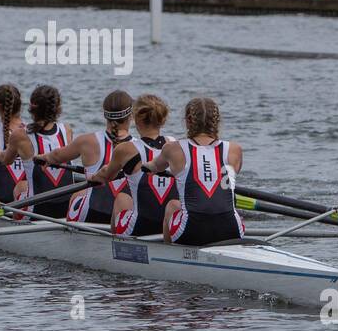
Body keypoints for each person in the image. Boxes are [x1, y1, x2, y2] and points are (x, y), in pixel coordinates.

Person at [143, 97, 244, 245]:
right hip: (231, 231)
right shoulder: (235, 150)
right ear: (216, 121)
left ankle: (169, 253)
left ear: (188, 121)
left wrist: (142, 166)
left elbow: (154, 166)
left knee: (172, 205)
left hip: (191, 231)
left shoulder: (173, 148)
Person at [35, 90, 134, 226]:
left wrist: (45, 157)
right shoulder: (138, 147)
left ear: (105, 114)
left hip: (93, 212)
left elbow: (57, 155)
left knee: (78, 195)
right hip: (123, 216)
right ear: (131, 116)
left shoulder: (87, 141)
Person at [90, 94, 177, 238]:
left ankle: (113, 245)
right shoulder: (175, 144)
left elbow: (107, 175)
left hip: (140, 227)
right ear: (162, 120)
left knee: (122, 199)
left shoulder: (125, 149)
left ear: (135, 119)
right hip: (168, 224)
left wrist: (95, 177)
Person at [0, 84, 78, 219]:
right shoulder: (67, 130)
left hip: (37, 210)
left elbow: (6, 160)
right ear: (57, 108)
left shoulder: (20, 135)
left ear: (31, 108)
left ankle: (15, 223)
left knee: (20, 187)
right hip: (67, 208)